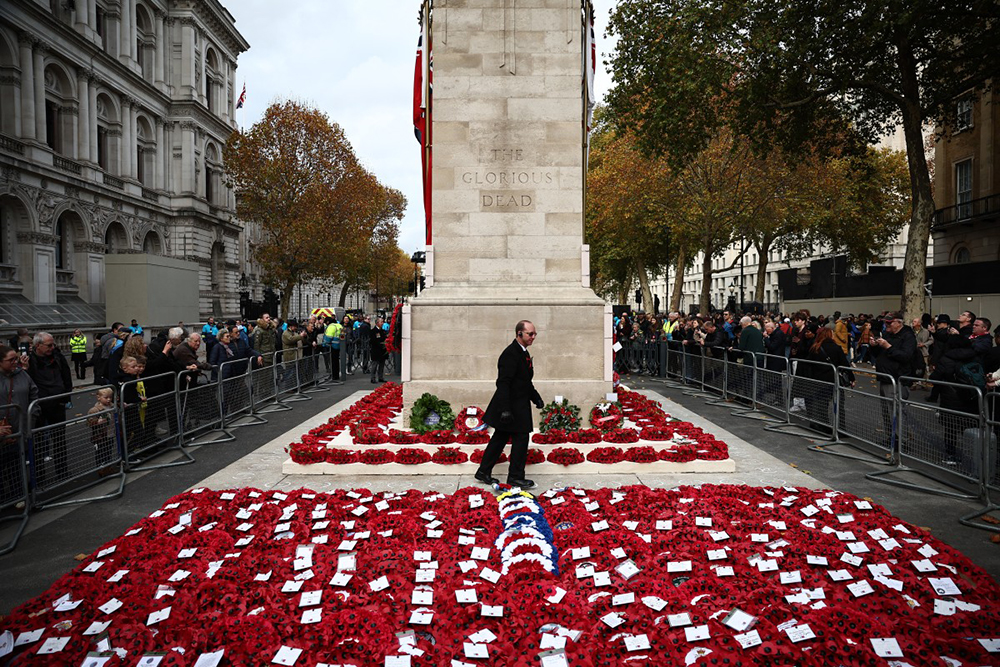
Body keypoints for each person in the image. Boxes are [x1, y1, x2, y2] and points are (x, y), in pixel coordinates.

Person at [477, 320, 545, 489]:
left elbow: (524, 382)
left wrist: (535, 397)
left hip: (518, 404)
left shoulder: (523, 353)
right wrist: (505, 409)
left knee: (499, 438)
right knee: (521, 438)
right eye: (530, 334)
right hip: (510, 406)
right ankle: (515, 477)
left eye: (534, 334)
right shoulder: (510, 353)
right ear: (519, 334)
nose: (533, 337)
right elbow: (503, 383)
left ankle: (483, 471)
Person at [25, 332, 74, 485]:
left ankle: (62, 471)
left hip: (57, 402)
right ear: (37, 345)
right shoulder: (30, 361)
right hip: (39, 406)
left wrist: (66, 396)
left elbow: (66, 376)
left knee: (59, 439)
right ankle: (39, 476)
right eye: (49, 345)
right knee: (38, 442)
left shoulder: (57, 357)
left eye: (53, 344)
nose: (52, 348)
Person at [0, 345, 39, 502]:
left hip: (20, 429)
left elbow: (33, 394)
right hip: (3, 432)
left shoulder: (22, 374)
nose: (15, 362)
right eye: (11, 360)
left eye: (15, 358)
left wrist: (32, 417)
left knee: (17, 466)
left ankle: (19, 496)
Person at [872, 312, 916, 447]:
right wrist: (874, 346)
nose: (886, 325)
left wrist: (888, 347)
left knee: (897, 411)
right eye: (885, 323)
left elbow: (906, 356)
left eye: (889, 323)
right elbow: (878, 355)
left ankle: (901, 440)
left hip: (897, 378)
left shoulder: (908, 336)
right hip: (885, 377)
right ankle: (891, 437)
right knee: (887, 411)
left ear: (899, 322)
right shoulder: (887, 335)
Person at [803, 327, 854, 435]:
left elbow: (808, 364)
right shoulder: (836, 348)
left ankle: (822, 425)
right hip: (833, 380)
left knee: (822, 404)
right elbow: (845, 365)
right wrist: (851, 378)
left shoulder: (815, 348)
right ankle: (840, 429)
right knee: (839, 406)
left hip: (818, 380)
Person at [87, 387, 118, 474]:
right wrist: (97, 421)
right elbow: (89, 422)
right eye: (106, 397)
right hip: (100, 436)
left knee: (109, 451)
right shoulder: (95, 410)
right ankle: (101, 469)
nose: (108, 399)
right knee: (100, 452)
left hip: (110, 433)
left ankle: (108, 467)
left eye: (110, 397)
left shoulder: (112, 406)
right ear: (99, 397)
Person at [324, 316, 343, 381]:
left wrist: (324, 344)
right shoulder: (339, 325)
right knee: (336, 361)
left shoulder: (331, 326)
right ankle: (336, 375)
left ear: (327, 322)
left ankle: (333, 376)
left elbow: (328, 337)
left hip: (332, 346)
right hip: (339, 345)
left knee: (332, 362)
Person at [369, 316, 388, 383]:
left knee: (381, 365)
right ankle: (373, 377)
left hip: (382, 350)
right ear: (377, 323)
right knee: (375, 364)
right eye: (381, 322)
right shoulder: (373, 331)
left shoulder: (382, 331)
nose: (382, 323)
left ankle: (380, 377)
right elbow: (373, 341)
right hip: (376, 350)